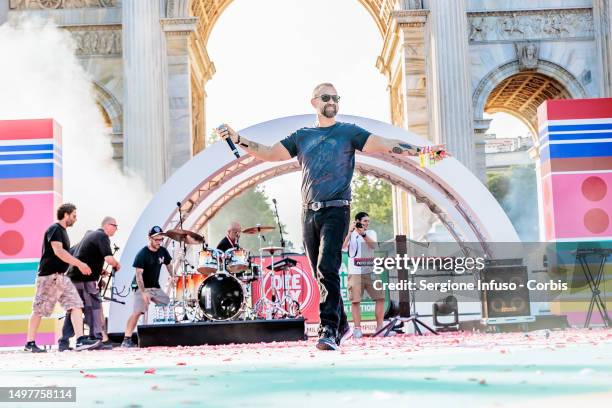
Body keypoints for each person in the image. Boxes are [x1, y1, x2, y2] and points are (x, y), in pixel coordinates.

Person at [216, 82, 446, 350]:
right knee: (319, 273)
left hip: (337, 209)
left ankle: (328, 330)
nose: (333, 101)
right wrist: (237, 137)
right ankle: (343, 323)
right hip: (309, 212)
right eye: (327, 97)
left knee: (327, 267)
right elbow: (268, 153)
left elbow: (386, 144)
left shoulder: (348, 132)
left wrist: (426, 153)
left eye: (336, 97)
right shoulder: (302, 135)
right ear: (314, 102)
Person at [25, 203, 101, 352]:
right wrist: (80, 264)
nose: (75, 219)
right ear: (65, 215)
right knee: (39, 310)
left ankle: (80, 340)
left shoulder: (63, 232)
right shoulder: (55, 229)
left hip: (61, 278)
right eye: (74, 215)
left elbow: (67, 254)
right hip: (48, 277)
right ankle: (30, 343)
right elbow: (59, 252)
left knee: (76, 305)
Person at [58, 216, 121, 351]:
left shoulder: (90, 235)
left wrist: (99, 270)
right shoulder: (102, 236)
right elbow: (109, 259)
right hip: (84, 280)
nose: (116, 229)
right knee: (94, 308)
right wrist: (116, 264)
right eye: (115, 226)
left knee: (75, 310)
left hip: (73, 278)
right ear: (107, 226)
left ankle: (63, 342)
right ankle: (96, 340)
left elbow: (77, 253)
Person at [121, 226, 176, 348]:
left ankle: (166, 335)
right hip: (141, 287)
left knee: (168, 304)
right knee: (138, 311)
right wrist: (143, 292)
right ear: (149, 238)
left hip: (155, 287)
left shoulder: (163, 251)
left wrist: (173, 276)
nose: (159, 242)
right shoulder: (142, 254)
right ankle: (126, 339)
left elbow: (169, 264)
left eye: (161, 240)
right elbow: (138, 275)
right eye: (156, 239)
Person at [342, 212, 384, 338]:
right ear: (357, 221)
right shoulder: (350, 233)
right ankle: (357, 329)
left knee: (380, 298)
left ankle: (379, 328)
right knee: (355, 301)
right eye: (364, 221)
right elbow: (343, 248)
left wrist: (363, 233)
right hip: (355, 272)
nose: (366, 223)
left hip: (370, 271)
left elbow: (373, 246)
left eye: (368, 221)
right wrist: (350, 232)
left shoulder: (371, 233)